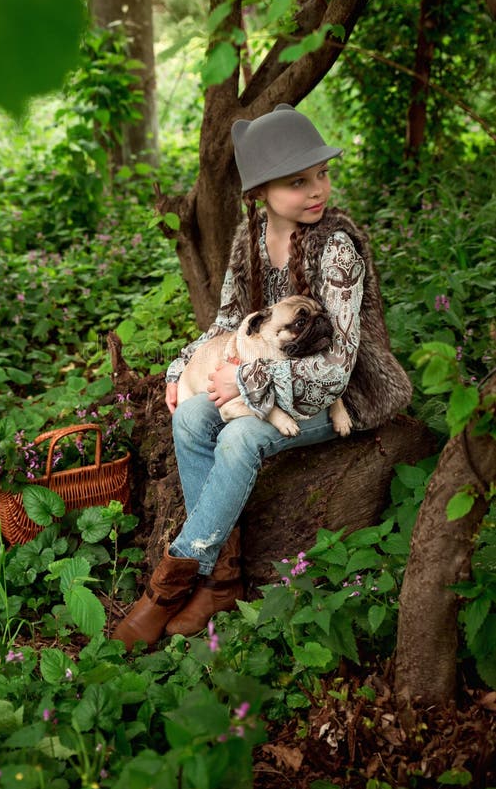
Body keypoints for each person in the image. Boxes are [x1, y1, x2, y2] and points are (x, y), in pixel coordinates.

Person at [113, 104, 412, 652]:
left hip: (342, 394)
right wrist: (181, 368)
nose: (317, 190)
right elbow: (227, 323)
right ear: (259, 193)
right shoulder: (247, 239)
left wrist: (247, 379)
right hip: (271, 379)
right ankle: (222, 582)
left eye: (321, 173)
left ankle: (168, 586)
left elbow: (336, 368)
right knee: (192, 415)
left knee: (240, 434)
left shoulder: (337, 248)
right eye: (298, 181)